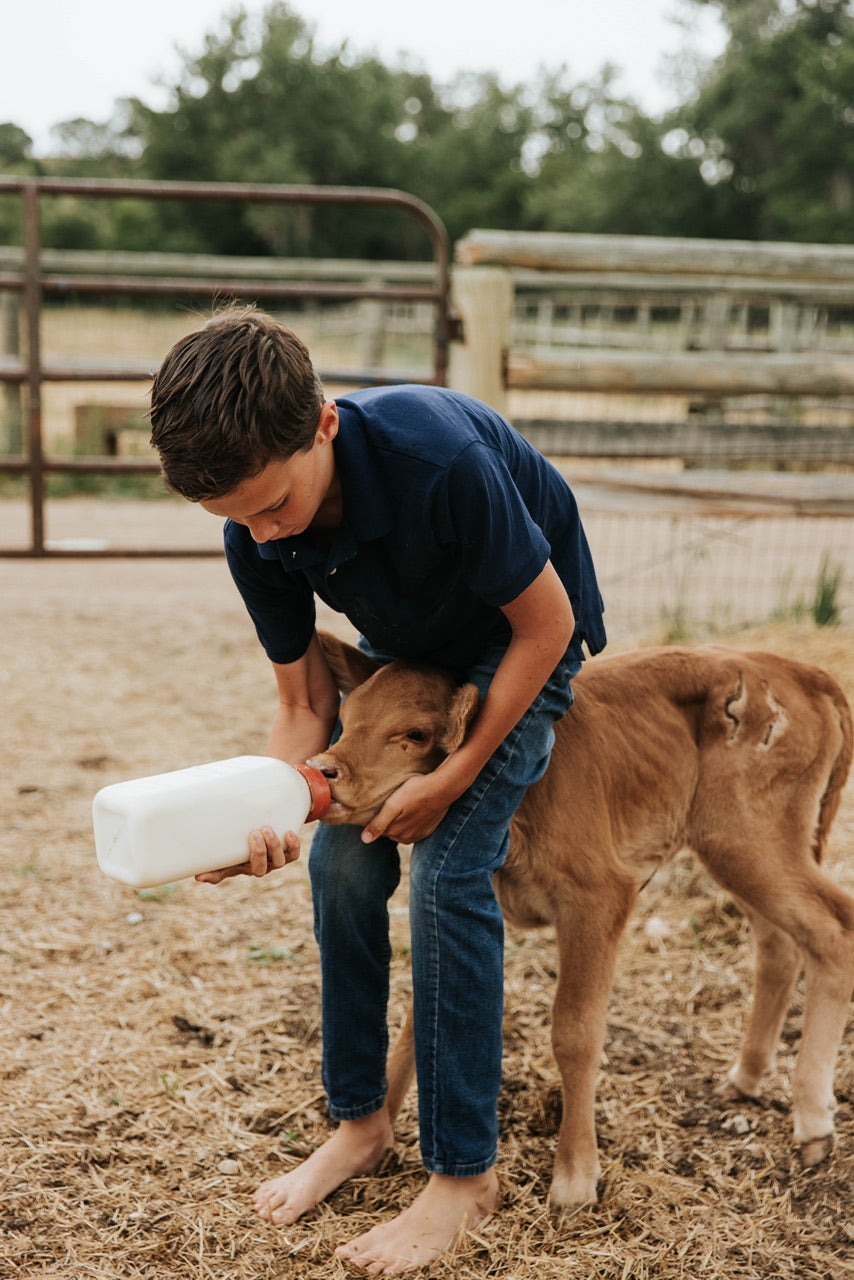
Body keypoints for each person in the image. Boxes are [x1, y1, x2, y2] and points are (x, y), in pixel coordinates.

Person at [149, 304, 606, 1275]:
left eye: (274, 505)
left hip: (527, 636)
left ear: (322, 422)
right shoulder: (253, 531)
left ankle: (461, 1172)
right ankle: (360, 1120)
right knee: (341, 867)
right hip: (411, 649)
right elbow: (303, 699)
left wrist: (451, 773)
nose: (264, 534)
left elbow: (542, 625)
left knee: (446, 868)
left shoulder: (431, 459)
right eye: (236, 518)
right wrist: (258, 817)